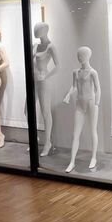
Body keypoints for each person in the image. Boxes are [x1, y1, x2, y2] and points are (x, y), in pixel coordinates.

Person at [63, 46, 101, 173]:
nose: (79, 57)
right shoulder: (76, 72)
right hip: (79, 103)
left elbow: (98, 89)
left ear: (88, 56)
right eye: (78, 55)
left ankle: (94, 157)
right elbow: (74, 86)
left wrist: (97, 103)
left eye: (82, 55)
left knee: (93, 130)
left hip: (91, 102)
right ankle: (72, 161)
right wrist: (68, 95)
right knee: (76, 134)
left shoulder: (93, 72)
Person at [32, 22, 60, 156]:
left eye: (38, 29)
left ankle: (47, 142)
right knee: (27, 110)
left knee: (45, 112)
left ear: (46, 30)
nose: (35, 31)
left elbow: (58, 66)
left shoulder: (50, 47)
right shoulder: (35, 46)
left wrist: (46, 76)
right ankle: (35, 138)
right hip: (33, 81)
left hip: (43, 81)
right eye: (35, 28)